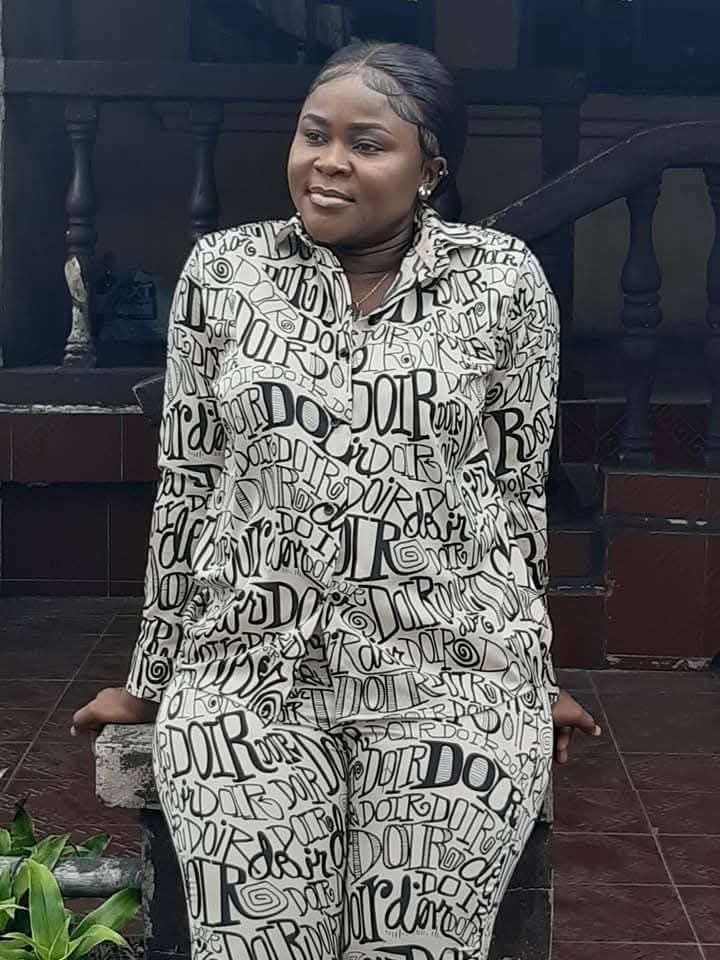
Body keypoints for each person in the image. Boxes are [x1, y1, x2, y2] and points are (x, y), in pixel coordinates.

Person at [73, 41, 601, 960]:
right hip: (248, 681)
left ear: (430, 170)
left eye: (367, 144)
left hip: (449, 683)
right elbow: (189, 488)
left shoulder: (503, 281)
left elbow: (515, 497)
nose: (329, 162)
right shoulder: (224, 274)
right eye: (314, 135)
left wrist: (532, 669)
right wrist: (149, 680)